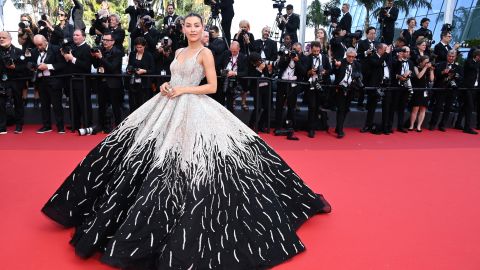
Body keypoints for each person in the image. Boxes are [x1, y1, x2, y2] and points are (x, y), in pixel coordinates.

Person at [41, 12, 331, 269]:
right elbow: (173, 78)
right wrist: (168, 85)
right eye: (188, 25)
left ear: (203, 28)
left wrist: (184, 91)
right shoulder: (179, 50)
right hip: (167, 103)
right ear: (183, 28)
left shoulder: (204, 53)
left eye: (197, 25)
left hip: (195, 107)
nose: (192, 29)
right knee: (141, 149)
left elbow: (213, 86)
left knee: (196, 158)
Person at [29, 34, 67, 134]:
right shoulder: (34, 51)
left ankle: (60, 126)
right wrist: (33, 66)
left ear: (46, 41)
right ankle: (46, 126)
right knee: (44, 105)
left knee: (56, 105)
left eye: (40, 45)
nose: (39, 47)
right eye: (36, 45)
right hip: (41, 81)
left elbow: (62, 64)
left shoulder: (56, 49)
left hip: (54, 81)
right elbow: (31, 63)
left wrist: (48, 66)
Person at [91, 32, 124, 133]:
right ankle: (100, 125)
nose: (104, 42)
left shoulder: (117, 52)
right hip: (101, 82)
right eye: (103, 40)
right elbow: (96, 66)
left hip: (113, 84)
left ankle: (119, 127)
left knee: (115, 107)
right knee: (101, 106)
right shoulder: (101, 50)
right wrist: (94, 57)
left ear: (113, 42)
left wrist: (101, 57)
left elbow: (112, 67)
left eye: (107, 40)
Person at [61, 29, 92, 131]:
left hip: (83, 81)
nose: (75, 37)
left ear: (83, 37)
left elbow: (86, 66)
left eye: (77, 35)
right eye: (74, 35)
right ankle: (75, 124)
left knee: (84, 104)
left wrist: (72, 58)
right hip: (72, 80)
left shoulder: (87, 48)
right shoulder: (72, 47)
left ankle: (87, 125)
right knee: (73, 104)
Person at [0, 32, 26, 134]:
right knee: (0, 104)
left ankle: (19, 125)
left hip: (16, 81)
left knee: (18, 103)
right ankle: (2, 127)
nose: (1, 39)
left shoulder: (19, 51)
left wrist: (15, 67)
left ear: (10, 39)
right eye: (0, 38)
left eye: (4, 37)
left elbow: (25, 68)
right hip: (1, 81)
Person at [429, 50, 462, 131]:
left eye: (453, 56)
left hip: (452, 90)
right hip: (441, 89)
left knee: (448, 108)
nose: (451, 58)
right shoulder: (441, 64)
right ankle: (432, 124)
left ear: (455, 57)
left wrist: (455, 76)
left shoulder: (458, 67)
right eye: (449, 56)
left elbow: (461, 78)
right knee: (438, 107)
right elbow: (435, 76)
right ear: (447, 56)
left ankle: (442, 125)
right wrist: (443, 72)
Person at [126, 37, 155, 113]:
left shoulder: (149, 55)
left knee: (143, 105)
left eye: (140, 47)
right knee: (132, 104)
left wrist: (144, 71)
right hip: (133, 82)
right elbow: (129, 66)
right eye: (137, 47)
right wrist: (129, 70)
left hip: (144, 85)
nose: (138, 49)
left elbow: (153, 70)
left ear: (144, 46)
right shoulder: (132, 54)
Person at [408, 55, 434, 132]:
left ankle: (419, 126)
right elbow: (419, 76)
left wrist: (431, 70)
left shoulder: (428, 69)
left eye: (428, 62)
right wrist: (425, 68)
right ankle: (411, 125)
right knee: (415, 109)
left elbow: (432, 79)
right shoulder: (416, 67)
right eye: (425, 62)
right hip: (417, 90)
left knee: (423, 109)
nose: (427, 64)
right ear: (421, 62)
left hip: (425, 90)